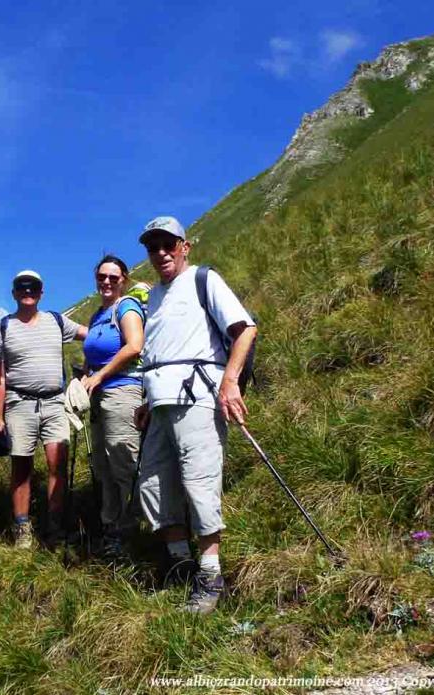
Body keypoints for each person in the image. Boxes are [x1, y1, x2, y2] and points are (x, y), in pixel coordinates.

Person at [135, 215, 257, 615]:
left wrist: (230, 382)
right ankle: (180, 566)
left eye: (169, 244)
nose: (162, 252)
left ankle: (210, 577)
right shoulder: (152, 297)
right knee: (153, 485)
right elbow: (154, 354)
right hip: (159, 405)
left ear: (185, 246)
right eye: (154, 247)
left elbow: (245, 329)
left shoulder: (205, 279)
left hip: (198, 398)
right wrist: (145, 400)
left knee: (199, 482)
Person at [0, 270, 88, 548]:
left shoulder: (57, 321)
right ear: (14, 293)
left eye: (33, 287)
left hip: (55, 403)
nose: (27, 291)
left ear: (41, 292)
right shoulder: (2, 328)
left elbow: (90, 336)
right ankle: (22, 527)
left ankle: (55, 527)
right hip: (19, 404)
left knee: (58, 464)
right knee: (21, 466)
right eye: (21, 287)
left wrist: (120, 321)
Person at [80, 255, 146, 560]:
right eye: (102, 277)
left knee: (124, 462)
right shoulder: (97, 316)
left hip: (123, 392)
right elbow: (93, 357)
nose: (106, 282)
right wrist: (83, 377)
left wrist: (100, 376)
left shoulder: (126, 307)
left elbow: (134, 346)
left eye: (113, 278)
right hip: (99, 397)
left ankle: (136, 531)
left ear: (124, 281)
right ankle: (112, 530)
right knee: (104, 467)